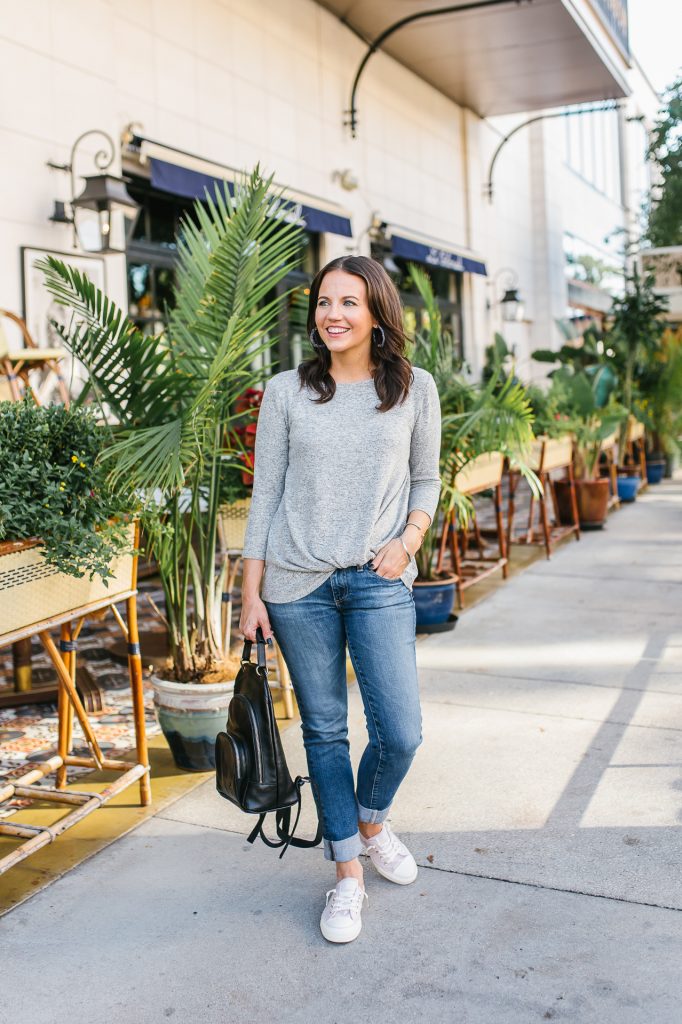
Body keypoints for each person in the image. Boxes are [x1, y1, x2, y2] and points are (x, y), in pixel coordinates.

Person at [239, 255, 441, 944]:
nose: (333, 314)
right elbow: (264, 495)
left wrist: (408, 542)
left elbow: (427, 479)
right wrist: (251, 592)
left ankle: (371, 820)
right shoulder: (287, 392)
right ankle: (347, 874)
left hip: (379, 578)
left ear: (377, 313)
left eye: (349, 302)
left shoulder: (415, 389)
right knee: (324, 730)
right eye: (324, 301)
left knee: (401, 732)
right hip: (298, 583)